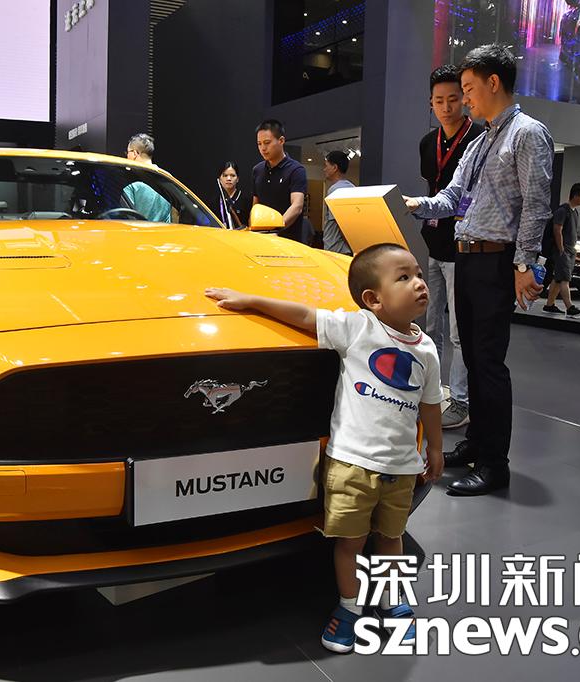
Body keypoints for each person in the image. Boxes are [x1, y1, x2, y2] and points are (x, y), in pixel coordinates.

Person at [205, 242, 443, 654]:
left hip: (402, 467)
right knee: (350, 543)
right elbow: (304, 315)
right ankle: (349, 608)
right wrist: (251, 301)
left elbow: (431, 403)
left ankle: (393, 602)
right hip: (352, 465)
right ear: (374, 299)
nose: (419, 283)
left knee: (392, 538)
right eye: (404, 278)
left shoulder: (427, 348)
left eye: (419, 275)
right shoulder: (358, 329)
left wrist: (435, 449)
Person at [404, 44, 554, 496]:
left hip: (496, 260)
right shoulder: (483, 140)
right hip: (465, 255)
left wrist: (525, 262)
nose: (464, 98)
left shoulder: (527, 134)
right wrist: (413, 204)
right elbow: (452, 198)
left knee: (488, 363)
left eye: (468, 89)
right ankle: (476, 442)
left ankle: (494, 463)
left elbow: (537, 205)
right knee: (471, 356)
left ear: (493, 82)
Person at [418, 64, 484, 430]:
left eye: (453, 99)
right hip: (432, 244)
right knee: (430, 326)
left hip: (463, 248)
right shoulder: (428, 143)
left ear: (464, 99)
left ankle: (460, 400)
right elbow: (433, 189)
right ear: (431, 103)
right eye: (439, 100)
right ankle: (431, 391)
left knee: (460, 331)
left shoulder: (479, 140)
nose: (446, 107)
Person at [252, 119, 310, 243]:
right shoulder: (257, 170)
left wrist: (275, 230)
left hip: (288, 240)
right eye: (259, 144)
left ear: (281, 140)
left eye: (267, 143)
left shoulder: (296, 170)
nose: (263, 148)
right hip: (261, 239)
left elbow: (297, 206)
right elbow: (256, 205)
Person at [542, 182, 580, 316]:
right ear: (576, 195)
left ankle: (549, 304)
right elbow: (557, 230)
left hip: (569, 250)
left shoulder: (574, 212)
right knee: (564, 278)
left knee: (558, 278)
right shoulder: (563, 211)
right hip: (563, 250)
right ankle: (570, 307)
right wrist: (561, 249)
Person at [122, 134, 172, 223]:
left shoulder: (129, 180)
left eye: (128, 152)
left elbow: (125, 217)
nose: (127, 156)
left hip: (138, 231)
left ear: (135, 153)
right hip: (164, 231)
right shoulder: (168, 178)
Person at [322, 150, 355, 255]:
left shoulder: (335, 191)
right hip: (346, 250)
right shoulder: (352, 188)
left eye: (326, 166)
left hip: (336, 249)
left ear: (335, 167)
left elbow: (342, 223)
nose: (324, 169)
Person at [214, 161, 251, 229]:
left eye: (232, 175)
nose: (229, 179)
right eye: (225, 175)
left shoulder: (247, 200)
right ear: (219, 179)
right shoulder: (214, 202)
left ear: (237, 179)